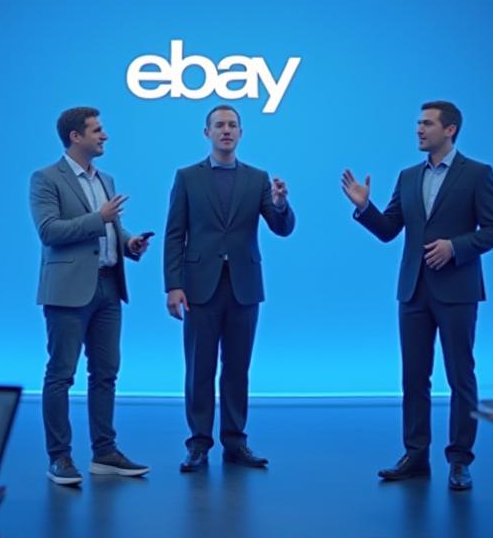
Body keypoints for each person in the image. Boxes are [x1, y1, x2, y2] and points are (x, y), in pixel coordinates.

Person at [341, 100, 493, 488]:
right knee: (414, 377)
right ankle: (415, 455)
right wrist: (365, 207)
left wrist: (455, 247)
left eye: (427, 123)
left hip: (458, 290)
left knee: (461, 376)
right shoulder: (408, 176)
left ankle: (460, 460)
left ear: (450, 130)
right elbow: (388, 230)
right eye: (418, 123)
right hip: (413, 291)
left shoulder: (477, 174)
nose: (419, 129)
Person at [165, 105, 295, 473]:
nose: (226, 130)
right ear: (206, 132)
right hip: (199, 287)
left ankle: (235, 442)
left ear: (241, 132)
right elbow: (175, 234)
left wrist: (281, 204)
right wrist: (173, 285)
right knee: (199, 368)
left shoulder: (258, 178)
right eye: (219, 125)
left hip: (244, 287)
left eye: (232, 125)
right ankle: (198, 444)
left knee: (238, 368)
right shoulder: (187, 177)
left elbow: (282, 228)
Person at [29, 106, 152, 486]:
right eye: (97, 130)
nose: (105, 136)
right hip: (67, 291)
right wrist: (100, 219)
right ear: (75, 137)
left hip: (109, 287)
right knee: (60, 374)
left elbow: (111, 226)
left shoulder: (106, 179)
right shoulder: (46, 178)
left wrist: (128, 242)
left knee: (106, 373)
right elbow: (49, 231)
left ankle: (105, 452)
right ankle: (60, 457)